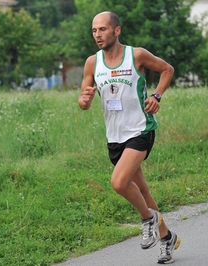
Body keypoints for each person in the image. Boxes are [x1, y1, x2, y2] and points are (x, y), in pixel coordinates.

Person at [78, 11, 180, 264]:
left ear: (116, 30)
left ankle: (147, 219)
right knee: (141, 189)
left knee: (119, 182)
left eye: (102, 29)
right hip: (115, 136)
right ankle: (166, 238)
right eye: (94, 31)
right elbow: (83, 100)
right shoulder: (92, 62)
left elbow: (167, 69)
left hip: (140, 130)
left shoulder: (136, 55)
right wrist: (84, 99)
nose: (98, 35)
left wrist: (156, 96)